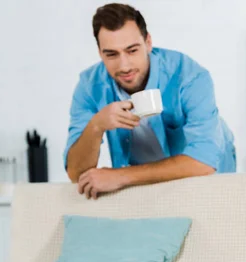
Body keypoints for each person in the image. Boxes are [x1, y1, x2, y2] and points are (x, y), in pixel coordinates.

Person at [65, 3, 236, 199]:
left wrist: (120, 176)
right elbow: (77, 173)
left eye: (132, 50)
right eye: (111, 54)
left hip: (204, 179)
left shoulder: (189, 76)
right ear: (99, 52)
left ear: (148, 42)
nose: (124, 65)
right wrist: (96, 126)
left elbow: (204, 160)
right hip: (141, 185)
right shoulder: (89, 85)